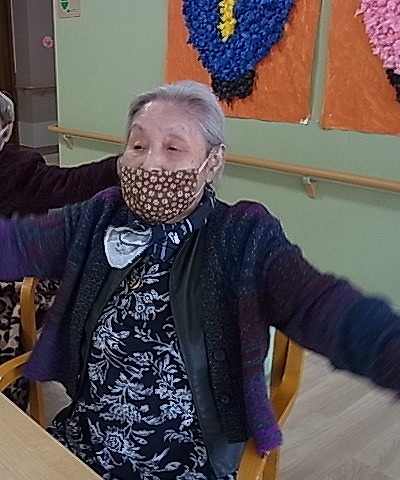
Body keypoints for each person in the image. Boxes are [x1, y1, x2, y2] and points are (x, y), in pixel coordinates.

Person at [0, 80, 399, 480]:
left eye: (173, 148)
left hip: (188, 458)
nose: (150, 164)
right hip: (86, 439)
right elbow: (16, 244)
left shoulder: (243, 236)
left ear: (213, 162)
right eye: (137, 146)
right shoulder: (98, 216)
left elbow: (322, 307)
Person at [0, 90, 121, 407]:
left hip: (16, 277)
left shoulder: (21, 168)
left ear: (6, 131)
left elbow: (74, 183)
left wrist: (124, 165)